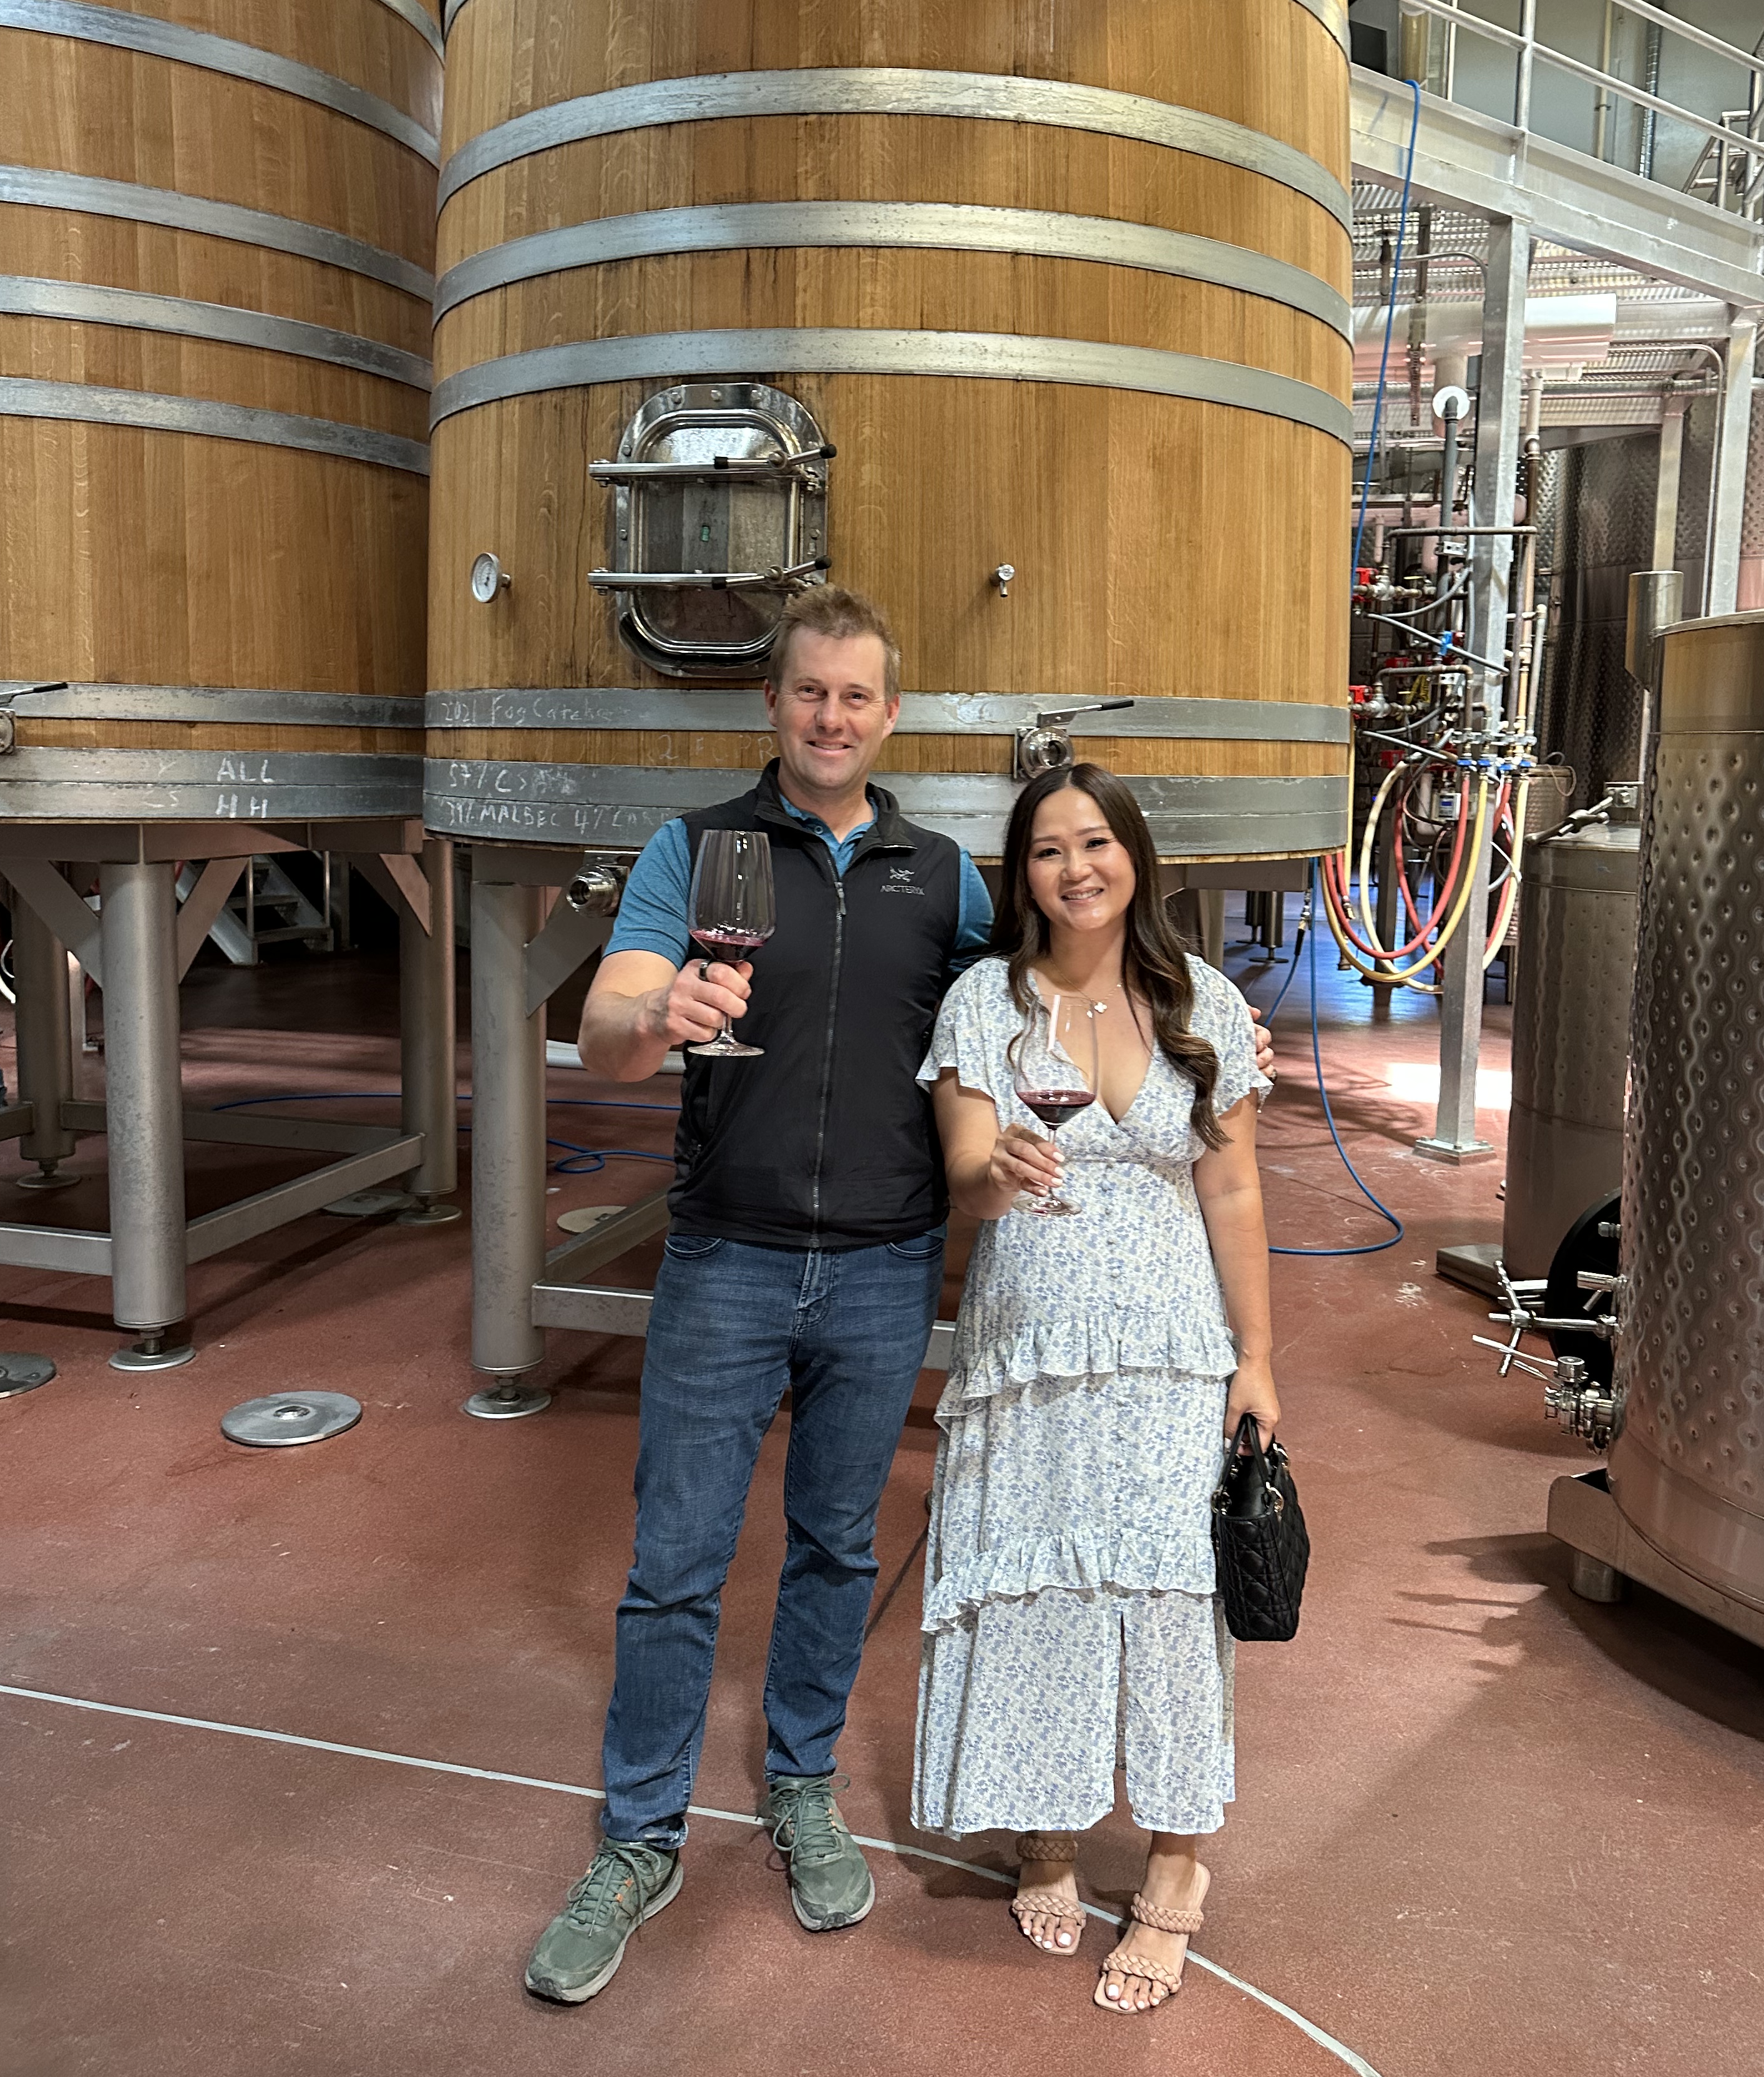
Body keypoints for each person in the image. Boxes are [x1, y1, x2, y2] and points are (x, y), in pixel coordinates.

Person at [523, 586, 1275, 2005]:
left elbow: (1042, 981)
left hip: (882, 1268)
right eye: (809, 693)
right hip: (728, 1255)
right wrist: (655, 1014)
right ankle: (639, 1837)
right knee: (676, 1560)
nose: (831, 717)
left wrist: (1184, 1042)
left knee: (835, 1552)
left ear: (890, 715)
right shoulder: (701, 850)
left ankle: (802, 1787)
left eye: (856, 696)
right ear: (772, 704)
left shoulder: (940, 878)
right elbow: (609, 1025)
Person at [914, 760, 1277, 2016]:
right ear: (1023, 876)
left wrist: (1258, 1359)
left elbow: (1233, 1189)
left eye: (1096, 844)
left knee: (1174, 1597)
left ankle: (1177, 1864)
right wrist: (998, 1171)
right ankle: (1050, 1829)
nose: (1077, 869)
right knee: (1043, 1586)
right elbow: (967, 1175)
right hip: (1030, 1345)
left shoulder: (1204, 1002)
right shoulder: (986, 1002)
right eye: (1049, 850)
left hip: (1171, 1347)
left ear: (1134, 857)